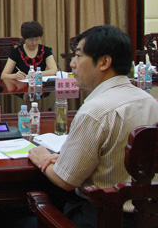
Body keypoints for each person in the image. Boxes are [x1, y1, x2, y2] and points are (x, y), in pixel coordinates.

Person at [27, 25, 158, 227]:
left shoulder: (95, 111)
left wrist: (42, 158)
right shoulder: (149, 101)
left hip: (102, 217)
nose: (72, 63)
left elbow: (65, 181)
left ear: (104, 62)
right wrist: (66, 158)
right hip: (147, 217)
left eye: (79, 56)